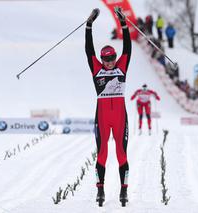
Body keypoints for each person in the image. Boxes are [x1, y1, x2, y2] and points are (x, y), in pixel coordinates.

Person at [85, 8, 131, 206]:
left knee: (121, 153)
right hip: (103, 117)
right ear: (102, 60)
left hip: (120, 116)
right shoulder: (97, 69)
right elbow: (89, 51)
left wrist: (124, 24)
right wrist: (89, 25)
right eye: (107, 59)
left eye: (112, 58)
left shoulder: (121, 66)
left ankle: (124, 191)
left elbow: (128, 48)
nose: (110, 63)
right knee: (102, 152)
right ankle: (100, 191)